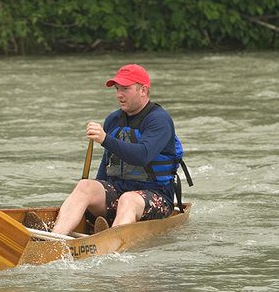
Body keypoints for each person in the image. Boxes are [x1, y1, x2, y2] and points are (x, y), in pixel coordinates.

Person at [52, 64, 190, 235]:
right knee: (85, 186)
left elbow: (143, 155)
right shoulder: (113, 119)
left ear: (143, 90)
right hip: (118, 192)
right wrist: (94, 196)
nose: (119, 94)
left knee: (128, 200)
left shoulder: (159, 120)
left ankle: (109, 244)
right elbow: (107, 163)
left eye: (125, 88)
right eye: (117, 89)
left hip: (156, 195)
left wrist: (104, 139)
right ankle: (54, 239)